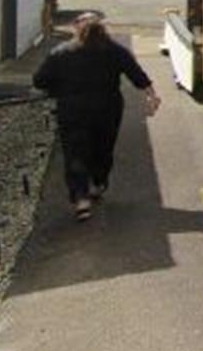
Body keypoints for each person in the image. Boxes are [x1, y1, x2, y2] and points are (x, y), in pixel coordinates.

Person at [33, 13, 162, 220]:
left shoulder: (61, 53)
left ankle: (81, 199)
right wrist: (151, 95)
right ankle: (98, 182)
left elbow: (39, 81)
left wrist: (57, 87)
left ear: (76, 29)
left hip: (73, 110)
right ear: (103, 30)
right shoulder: (115, 51)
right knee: (103, 147)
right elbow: (137, 75)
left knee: (75, 152)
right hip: (107, 109)